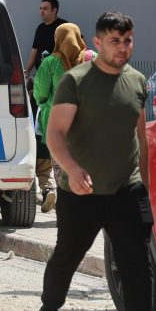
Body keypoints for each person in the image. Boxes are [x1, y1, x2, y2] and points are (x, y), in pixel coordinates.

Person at [37, 11, 156, 311]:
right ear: (97, 43)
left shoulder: (139, 82)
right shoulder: (76, 81)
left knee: (137, 264)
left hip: (127, 190)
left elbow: (141, 138)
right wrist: (71, 169)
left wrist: (145, 185)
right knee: (67, 256)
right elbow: (55, 134)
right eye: (115, 41)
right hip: (81, 191)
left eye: (128, 40)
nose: (123, 47)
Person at [32, 23, 95, 213]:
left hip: (58, 124)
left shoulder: (50, 62)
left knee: (61, 165)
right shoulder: (92, 59)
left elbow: (40, 93)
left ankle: (68, 203)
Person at [25, 0, 68, 210]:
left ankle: (50, 188)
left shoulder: (50, 63)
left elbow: (40, 93)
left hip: (52, 113)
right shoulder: (88, 58)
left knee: (46, 149)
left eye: (45, 9)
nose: (41, 12)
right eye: (40, 8)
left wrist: (35, 92)